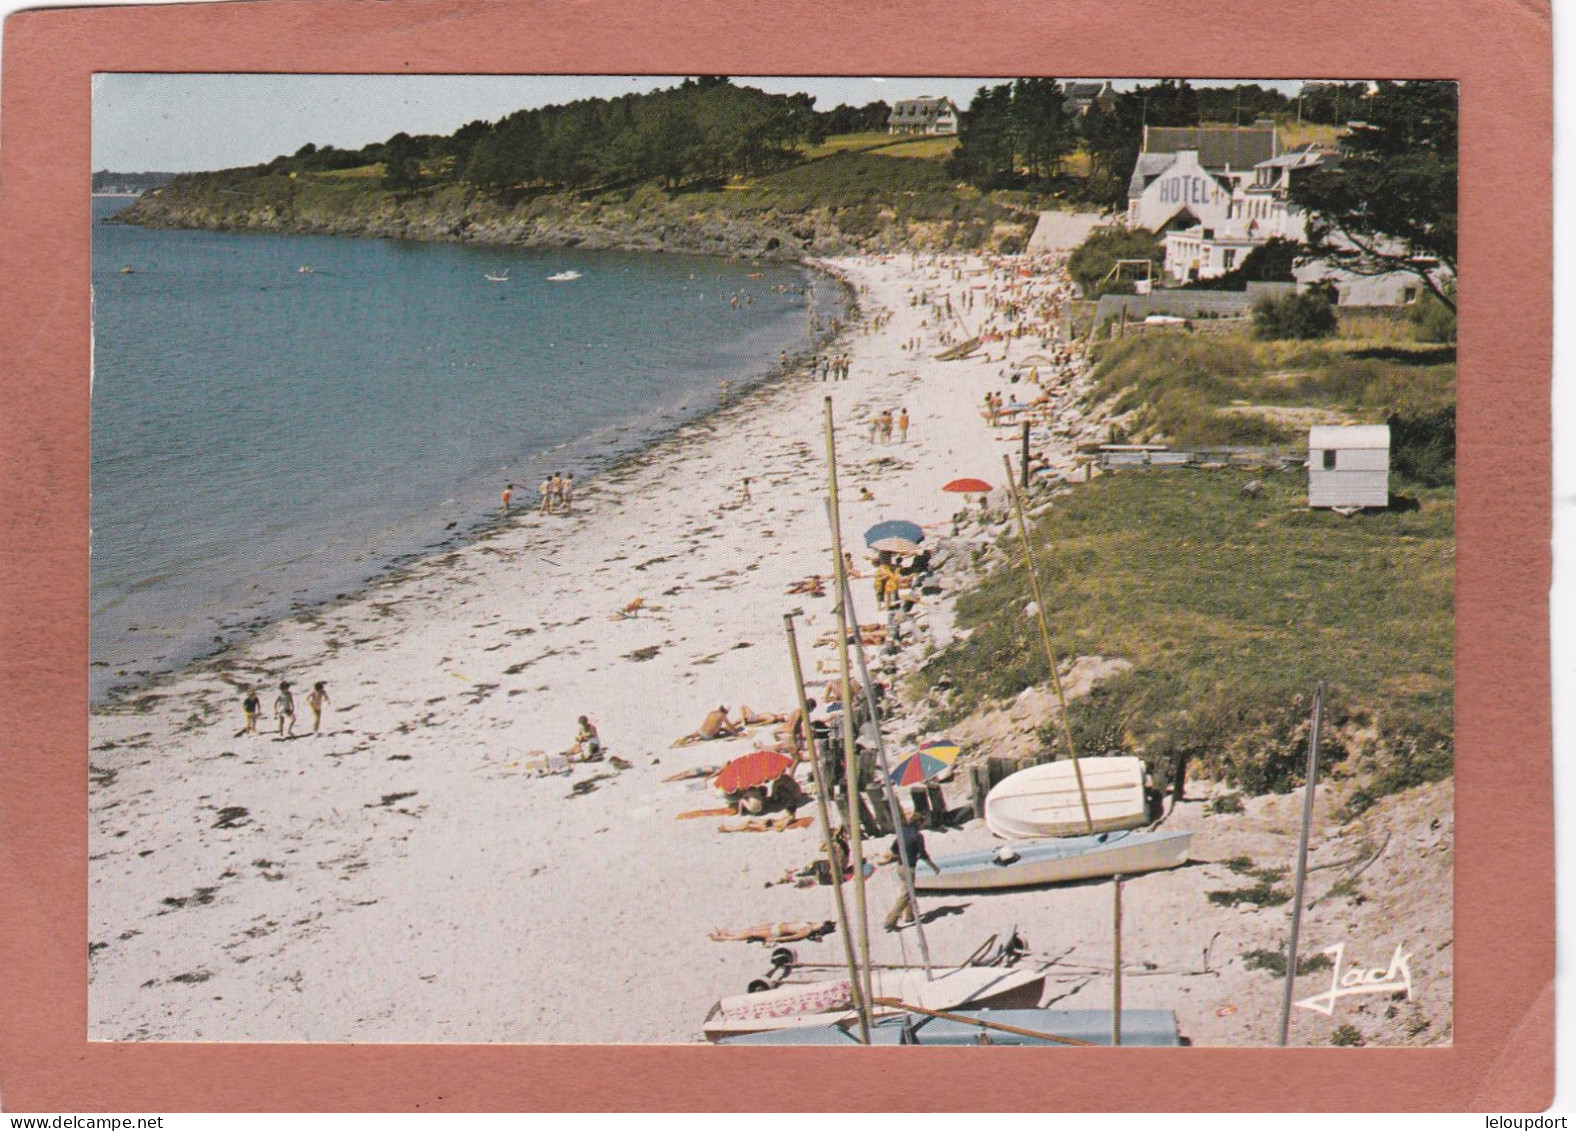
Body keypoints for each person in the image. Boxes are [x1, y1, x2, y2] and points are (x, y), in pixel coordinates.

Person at [883, 814, 939, 931]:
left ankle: (908, 915)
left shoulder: (902, 832)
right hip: (909, 868)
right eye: (923, 823)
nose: (923, 826)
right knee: (906, 894)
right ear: (919, 823)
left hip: (900, 866)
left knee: (907, 890)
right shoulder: (918, 836)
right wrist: (933, 867)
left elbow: (894, 849)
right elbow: (923, 854)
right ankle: (890, 920)